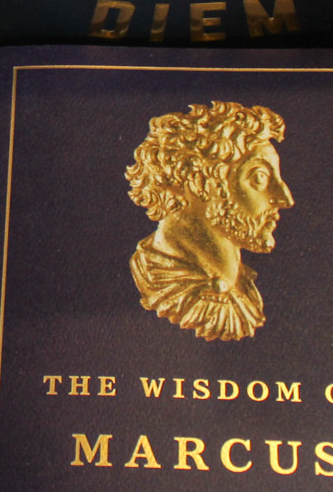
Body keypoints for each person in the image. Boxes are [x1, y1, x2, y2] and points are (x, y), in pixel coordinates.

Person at [124, 101, 292, 342]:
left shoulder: (243, 287)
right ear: (198, 183)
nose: (285, 199)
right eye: (259, 178)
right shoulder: (159, 282)